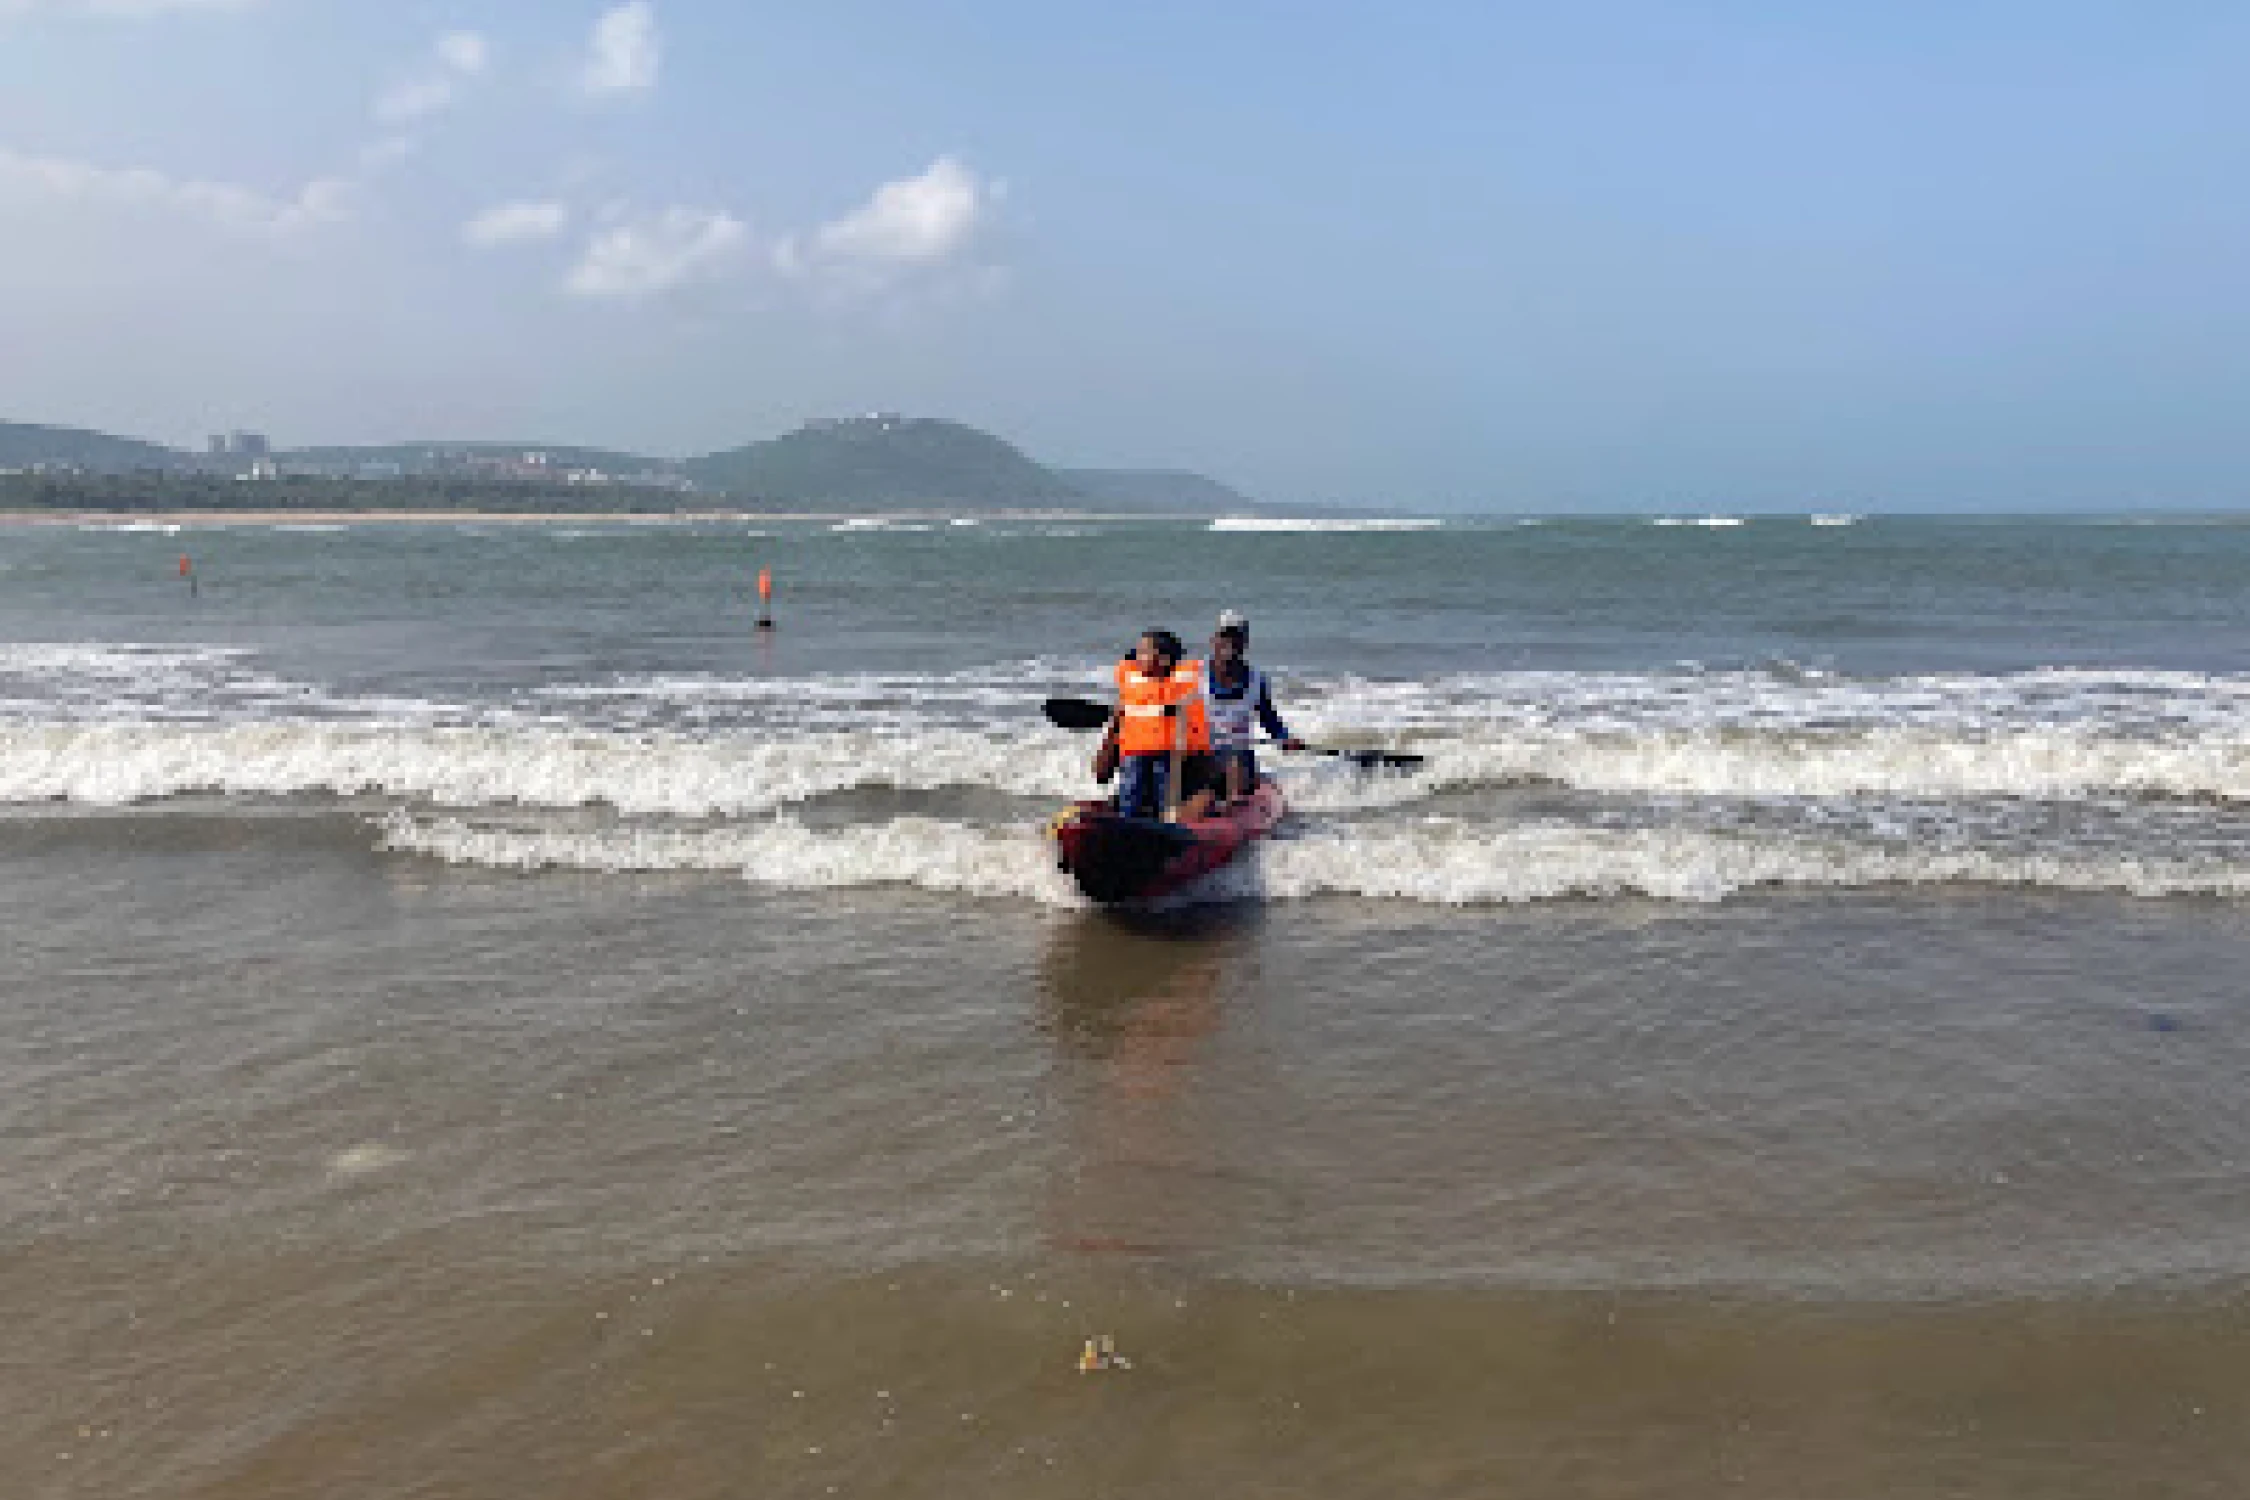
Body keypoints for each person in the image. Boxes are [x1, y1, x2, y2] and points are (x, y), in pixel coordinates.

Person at [1094, 629, 1222, 821]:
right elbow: (1102, 773)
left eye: (1144, 652)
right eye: (1138, 652)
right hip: (1134, 752)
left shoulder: (1188, 684)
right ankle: (1127, 822)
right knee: (1131, 788)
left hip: (1175, 755)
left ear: (1163, 660)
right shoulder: (1132, 681)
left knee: (1166, 791)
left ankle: (1165, 825)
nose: (1137, 657)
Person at [1201, 611, 1304, 801]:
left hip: (1239, 757)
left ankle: (1233, 805)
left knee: (1235, 759)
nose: (1229, 644)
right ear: (1213, 640)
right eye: (1224, 636)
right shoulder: (1194, 674)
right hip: (1202, 756)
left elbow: (1268, 718)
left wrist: (1283, 738)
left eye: (1236, 638)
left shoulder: (1256, 680)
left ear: (1245, 644)